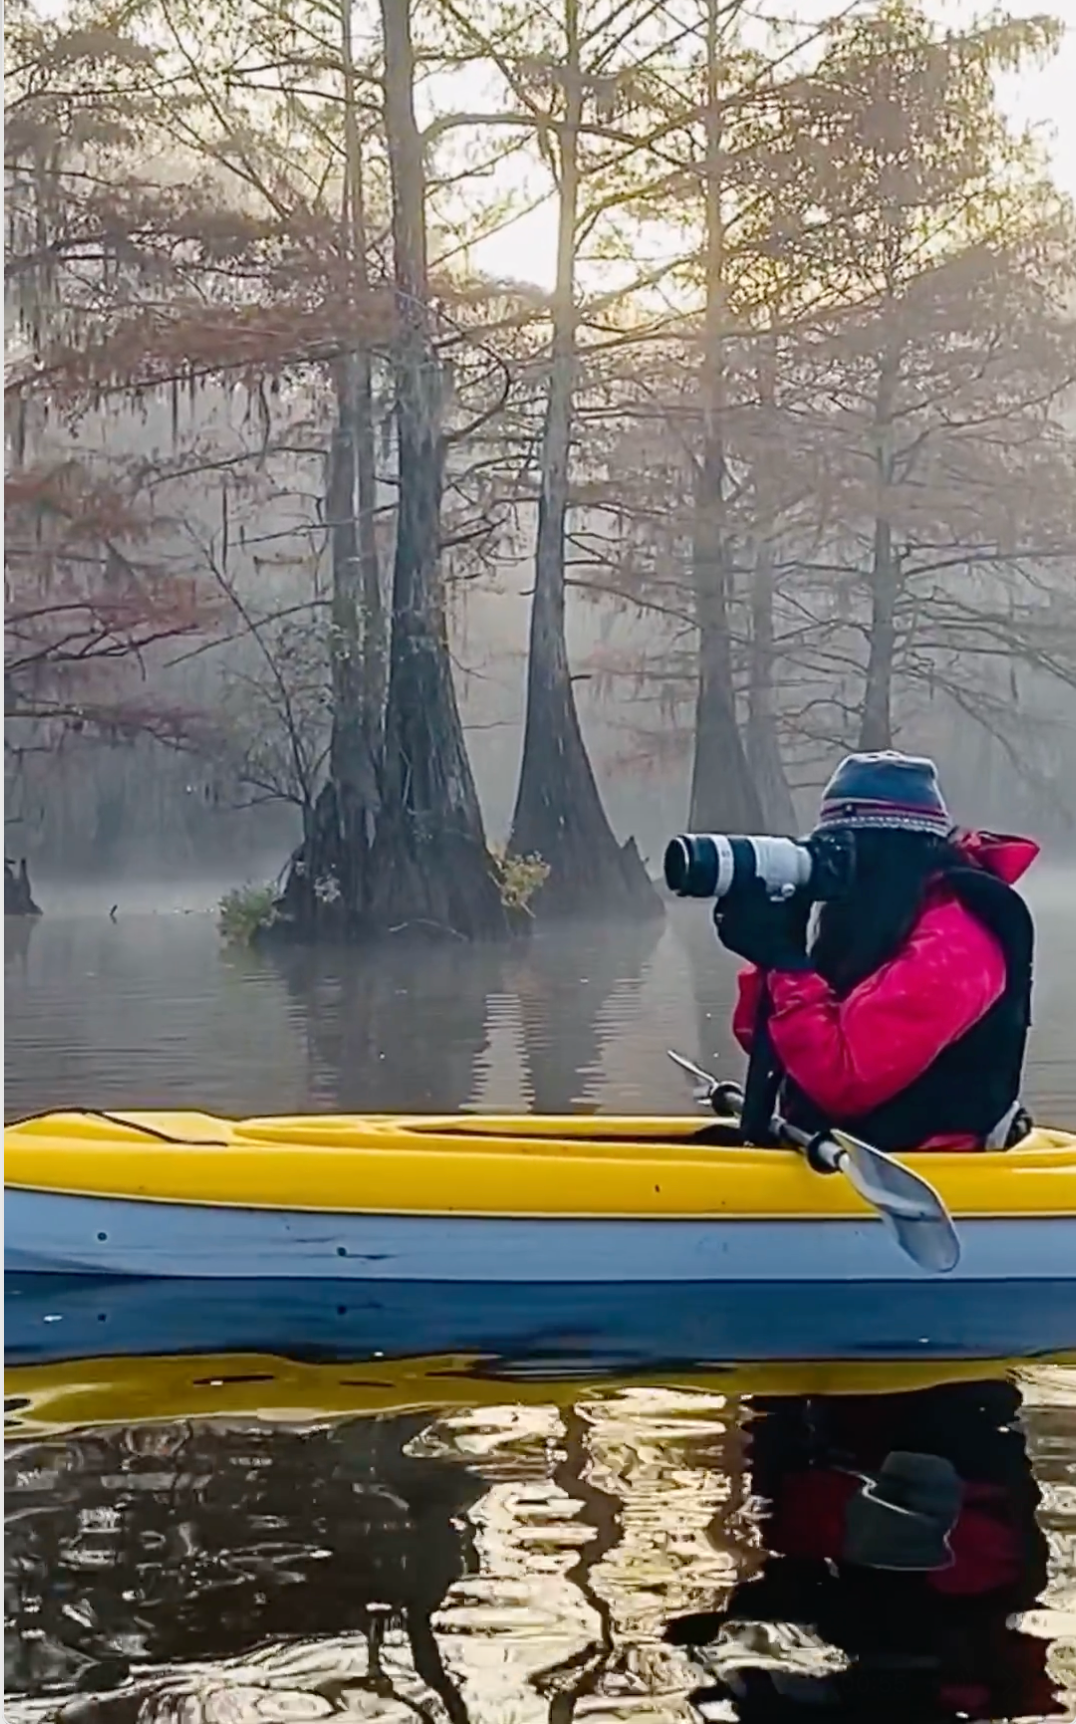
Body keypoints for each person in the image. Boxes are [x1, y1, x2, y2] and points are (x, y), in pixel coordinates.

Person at [715, 752, 1038, 1152]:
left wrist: (788, 966)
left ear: (885, 852)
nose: (835, 868)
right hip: (835, 1150)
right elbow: (764, 1041)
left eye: (844, 851)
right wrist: (770, 951)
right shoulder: (873, 920)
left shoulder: (957, 940)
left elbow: (844, 1082)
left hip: (925, 1165)